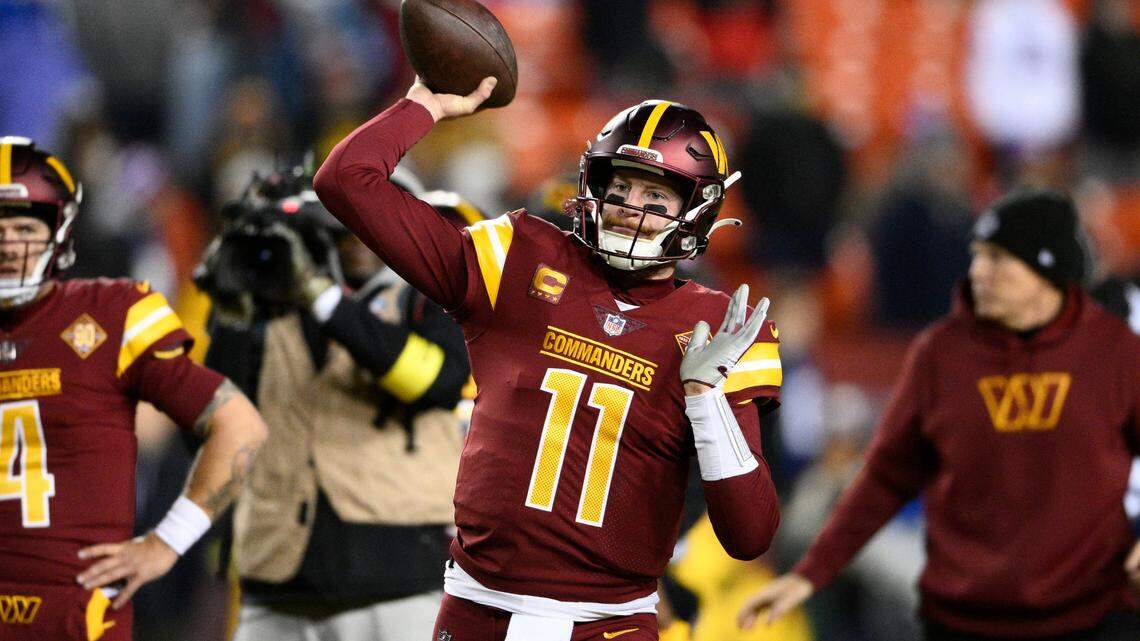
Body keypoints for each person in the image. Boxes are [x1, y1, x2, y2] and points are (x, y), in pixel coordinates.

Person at [314, 78, 783, 641]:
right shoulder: (518, 259)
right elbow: (344, 181)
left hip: (608, 625)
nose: (632, 211)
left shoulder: (715, 329)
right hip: (474, 610)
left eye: (657, 199)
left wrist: (708, 405)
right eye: (622, 189)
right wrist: (424, 108)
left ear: (698, 209)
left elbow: (751, 535)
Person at [738, 189, 1140, 640]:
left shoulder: (1110, 355)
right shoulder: (946, 357)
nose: (979, 274)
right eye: (979, 258)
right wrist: (810, 573)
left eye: (998, 261)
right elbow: (885, 479)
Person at [0, 137, 267, 641]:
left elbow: (240, 426)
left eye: (23, 228)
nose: (9, 244)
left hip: (76, 622)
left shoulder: (110, 315)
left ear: (57, 232)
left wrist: (166, 542)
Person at [199, 166, 472, 641]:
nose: (359, 238)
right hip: (276, 584)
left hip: (398, 582)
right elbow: (209, 428)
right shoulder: (271, 299)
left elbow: (433, 382)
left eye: (375, 221)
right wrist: (233, 317)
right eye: (344, 223)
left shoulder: (430, 295)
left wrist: (322, 300)